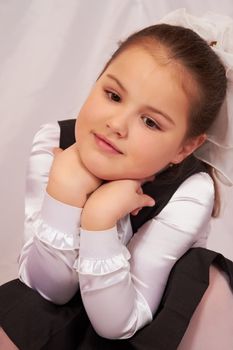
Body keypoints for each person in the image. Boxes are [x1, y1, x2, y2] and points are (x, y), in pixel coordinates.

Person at [1, 8, 233, 350]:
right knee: (22, 309)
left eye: (150, 122)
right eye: (113, 95)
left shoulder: (191, 191)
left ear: (185, 147)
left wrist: (99, 221)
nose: (117, 124)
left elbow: (118, 324)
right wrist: (64, 193)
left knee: (204, 280)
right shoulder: (54, 142)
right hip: (68, 309)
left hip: (145, 325)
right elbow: (47, 290)